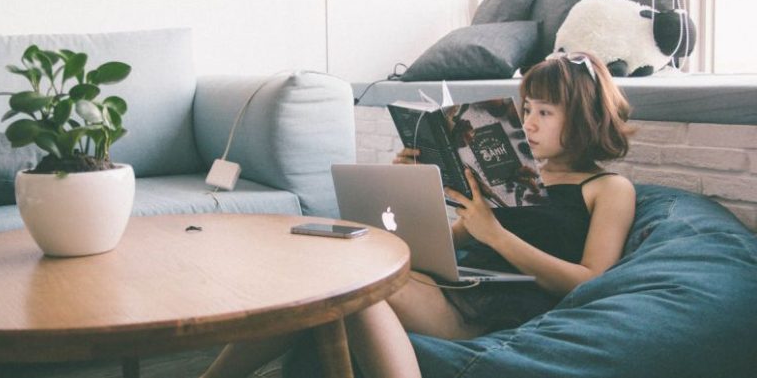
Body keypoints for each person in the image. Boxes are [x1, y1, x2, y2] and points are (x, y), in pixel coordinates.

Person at [201, 51, 636, 378]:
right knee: (324, 275)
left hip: (497, 308)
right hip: (456, 286)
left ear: (582, 117)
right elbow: (440, 247)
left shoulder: (608, 189)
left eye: (545, 112)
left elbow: (590, 281)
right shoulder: (513, 179)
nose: (530, 124)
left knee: (355, 291)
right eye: (526, 109)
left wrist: (498, 237)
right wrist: (411, 188)